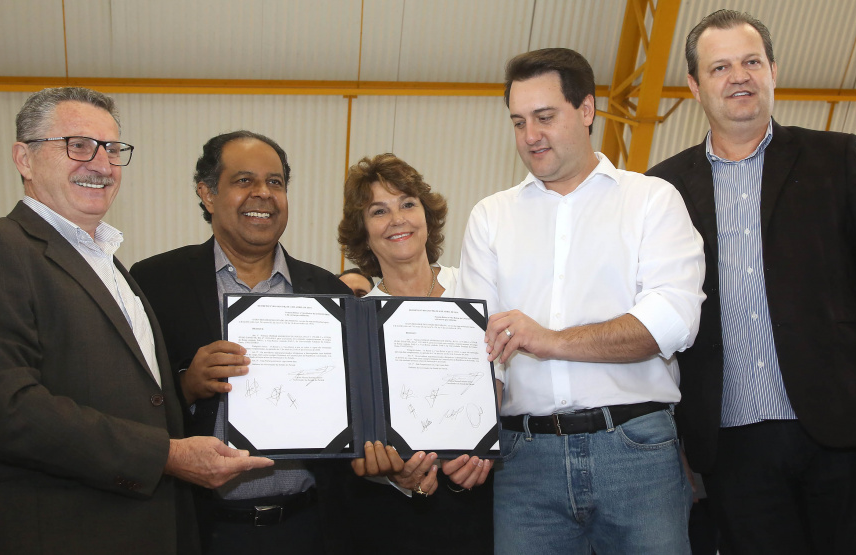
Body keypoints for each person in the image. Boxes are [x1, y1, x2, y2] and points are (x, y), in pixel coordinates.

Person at [0, 88, 272, 555]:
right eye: (78, 145)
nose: (102, 164)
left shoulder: (113, 268)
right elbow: (2, 407)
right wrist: (168, 455)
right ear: (24, 159)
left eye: (112, 149)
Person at [647, 9, 856, 554]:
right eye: (721, 66)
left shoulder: (835, 157)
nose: (739, 77)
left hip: (846, 427)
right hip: (730, 442)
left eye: (752, 61)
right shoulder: (663, 189)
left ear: (773, 70)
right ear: (695, 85)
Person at [457, 49, 706, 554]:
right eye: (519, 121)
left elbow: (672, 323)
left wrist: (549, 341)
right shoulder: (490, 217)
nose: (530, 136)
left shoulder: (652, 200)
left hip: (636, 449)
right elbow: (476, 347)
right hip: (524, 459)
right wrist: (470, 436)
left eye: (545, 117)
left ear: (587, 110)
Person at [130, 131, 352, 554]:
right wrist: (187, 387)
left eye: (275, 182)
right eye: (244, 180)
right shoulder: (155, 282)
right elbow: (128, 408)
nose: (263, 194)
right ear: (208, 194)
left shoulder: (327, 289)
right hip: (203, 530)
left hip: (311, 527)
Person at [336, 153, 493, 554]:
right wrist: (392, 476)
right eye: (379, 211)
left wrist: (486, 451)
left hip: (487, 500)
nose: (398, 219)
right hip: (392, 520)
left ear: (427, 214)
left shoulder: (477, 289)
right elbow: (356, 435)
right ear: (363, 232)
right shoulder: (356, 321)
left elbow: (513, 385)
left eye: (408, 203)